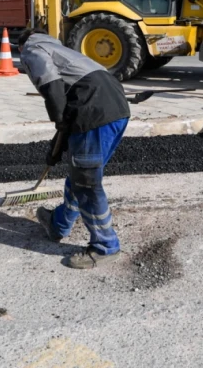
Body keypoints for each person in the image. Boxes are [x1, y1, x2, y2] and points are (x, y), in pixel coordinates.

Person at [19, 28, 131, 270]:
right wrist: (57, 147)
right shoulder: (64, 51)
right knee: (81, 174)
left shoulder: (32, 48)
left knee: (87, 183)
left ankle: (105, 247)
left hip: (93, 111)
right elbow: (70, 100)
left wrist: (59, 120)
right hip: (116, 108)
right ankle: (59, 224)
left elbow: (51, 84)